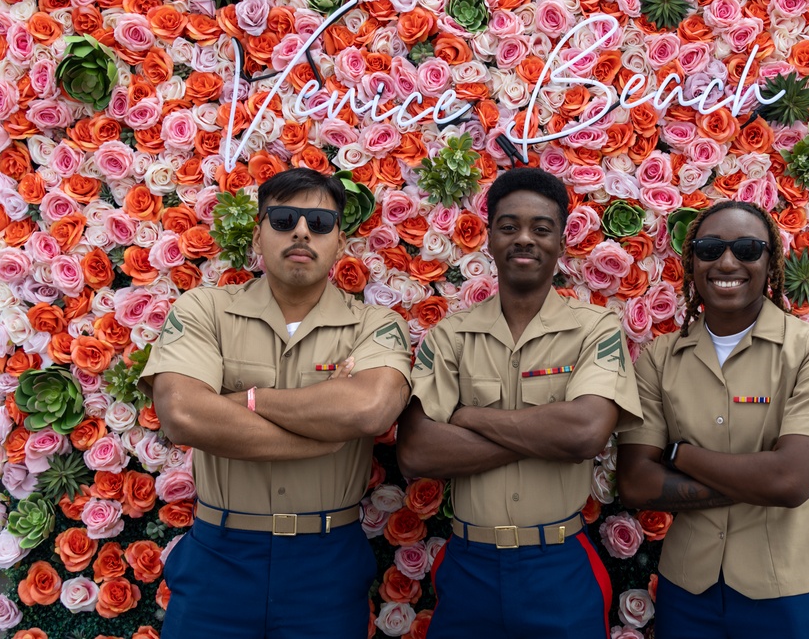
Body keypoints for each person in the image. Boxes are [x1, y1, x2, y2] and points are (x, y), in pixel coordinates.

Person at [140, 168, 412, 638]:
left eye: (320, 222)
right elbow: (183, 414)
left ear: (340, 242)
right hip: (220, 557)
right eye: (284, 218)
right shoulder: (205, 310)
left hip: (325, 562)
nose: (302, 231)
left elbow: (369, 410)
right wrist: (318, 439)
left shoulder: (374, 323)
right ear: (258, 231)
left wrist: (246, 398)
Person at [397, 167, 642, 639]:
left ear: (561, 242)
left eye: (541, 228)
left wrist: (468, 417)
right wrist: (546, 436)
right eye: (509, 227)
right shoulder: (451, 335)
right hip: (469, 567)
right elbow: (417, 452)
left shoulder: (596, 328)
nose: (524, 239)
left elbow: (585, 433)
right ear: (489, 238)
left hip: (558, 566)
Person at [617, 200, 809, 639]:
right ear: (692, 263)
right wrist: (753, 479)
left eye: (747, 249)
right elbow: (635, 484)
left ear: (770, 263)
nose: (727, 261)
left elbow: (788, 482)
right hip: (687, 592)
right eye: (709, 248)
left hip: (786, 590)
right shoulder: (659, 359)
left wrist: (677, 454)